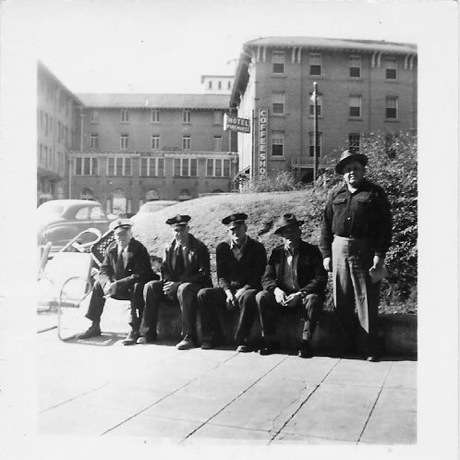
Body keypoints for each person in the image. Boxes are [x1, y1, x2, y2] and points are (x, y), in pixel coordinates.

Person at [320, 150, 392, 361]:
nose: (352, 173)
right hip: (339, 247)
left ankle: (369, 348)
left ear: (363, 171)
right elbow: (325, 225)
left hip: (365, 248)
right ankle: (343, 345)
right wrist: (326, 254)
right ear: (343, 174)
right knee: (341, 298)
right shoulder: (335, 195)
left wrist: (379, 255)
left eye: (356, 169)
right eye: (348, 169)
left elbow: (384, 227)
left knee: (366, 297)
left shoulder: (375, 193)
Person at [256, 214, 327, 358]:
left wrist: (300, 294)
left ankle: (305, 344)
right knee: (261, 296)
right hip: (282, 296)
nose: (290, 235)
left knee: (314, 299)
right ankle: (270, 340)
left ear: (299, 232)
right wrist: (276, 291)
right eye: (285, 232)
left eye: (293, 230)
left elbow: (320, 278)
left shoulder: (311, 251)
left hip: (302, 296)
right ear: (281, 235)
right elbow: (266, 277)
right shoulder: (277, 253)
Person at [77, 218, 158, 345]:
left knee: (137, 287)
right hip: (115, 287)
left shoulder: (138, 249)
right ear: (114, 236)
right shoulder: (111, 248)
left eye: (124, 234)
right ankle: (94, 325)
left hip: (132, 286)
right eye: (118, 235)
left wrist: (117, 284)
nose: (121, 238)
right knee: (99, 284)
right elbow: (104, 269)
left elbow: (140, 274)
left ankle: (134, 330)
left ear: (130, 234)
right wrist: (108, 282)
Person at [138, 214, 212, 350]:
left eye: (182, 230)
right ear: (172, 231)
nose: (179, 234)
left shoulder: (199, 247)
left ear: (188, 229)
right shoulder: (169, 247)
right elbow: (165, 269)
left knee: (183, 289)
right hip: (174, 285)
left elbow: (203, 273)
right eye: (176, 231)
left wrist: (178, 284)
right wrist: (167, 284)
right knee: (150, 286)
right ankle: (148, 332)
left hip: (194, 286)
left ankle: (189, 337)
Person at [197, 213, 267, 351]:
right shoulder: (222, 248)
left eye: (238, 228)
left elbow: (258, 275)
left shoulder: (257, 248)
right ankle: (213, 336)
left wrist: (243, 289)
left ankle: (243, 339)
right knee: (203, 294)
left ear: (245, 228)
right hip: (230, 290)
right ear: (228, 232)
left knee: (248, 297)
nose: (235, 232)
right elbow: (221, 276)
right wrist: (228, 293)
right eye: (232, 230)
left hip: (249, 289)